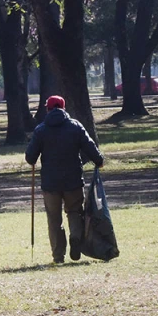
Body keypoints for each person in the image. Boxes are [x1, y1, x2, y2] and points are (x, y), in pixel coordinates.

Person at [25, 95, 104, 263]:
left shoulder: (41, 130)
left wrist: (33, 157)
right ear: (63, 107)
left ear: (47, 109)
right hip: (73, 181)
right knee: (75, 212)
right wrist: (99, 161)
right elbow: (90, 147)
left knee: (54, 219)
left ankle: (58, 256)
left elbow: (30, 157)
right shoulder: (75, 126)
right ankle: (75, 237)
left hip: (50, 183)